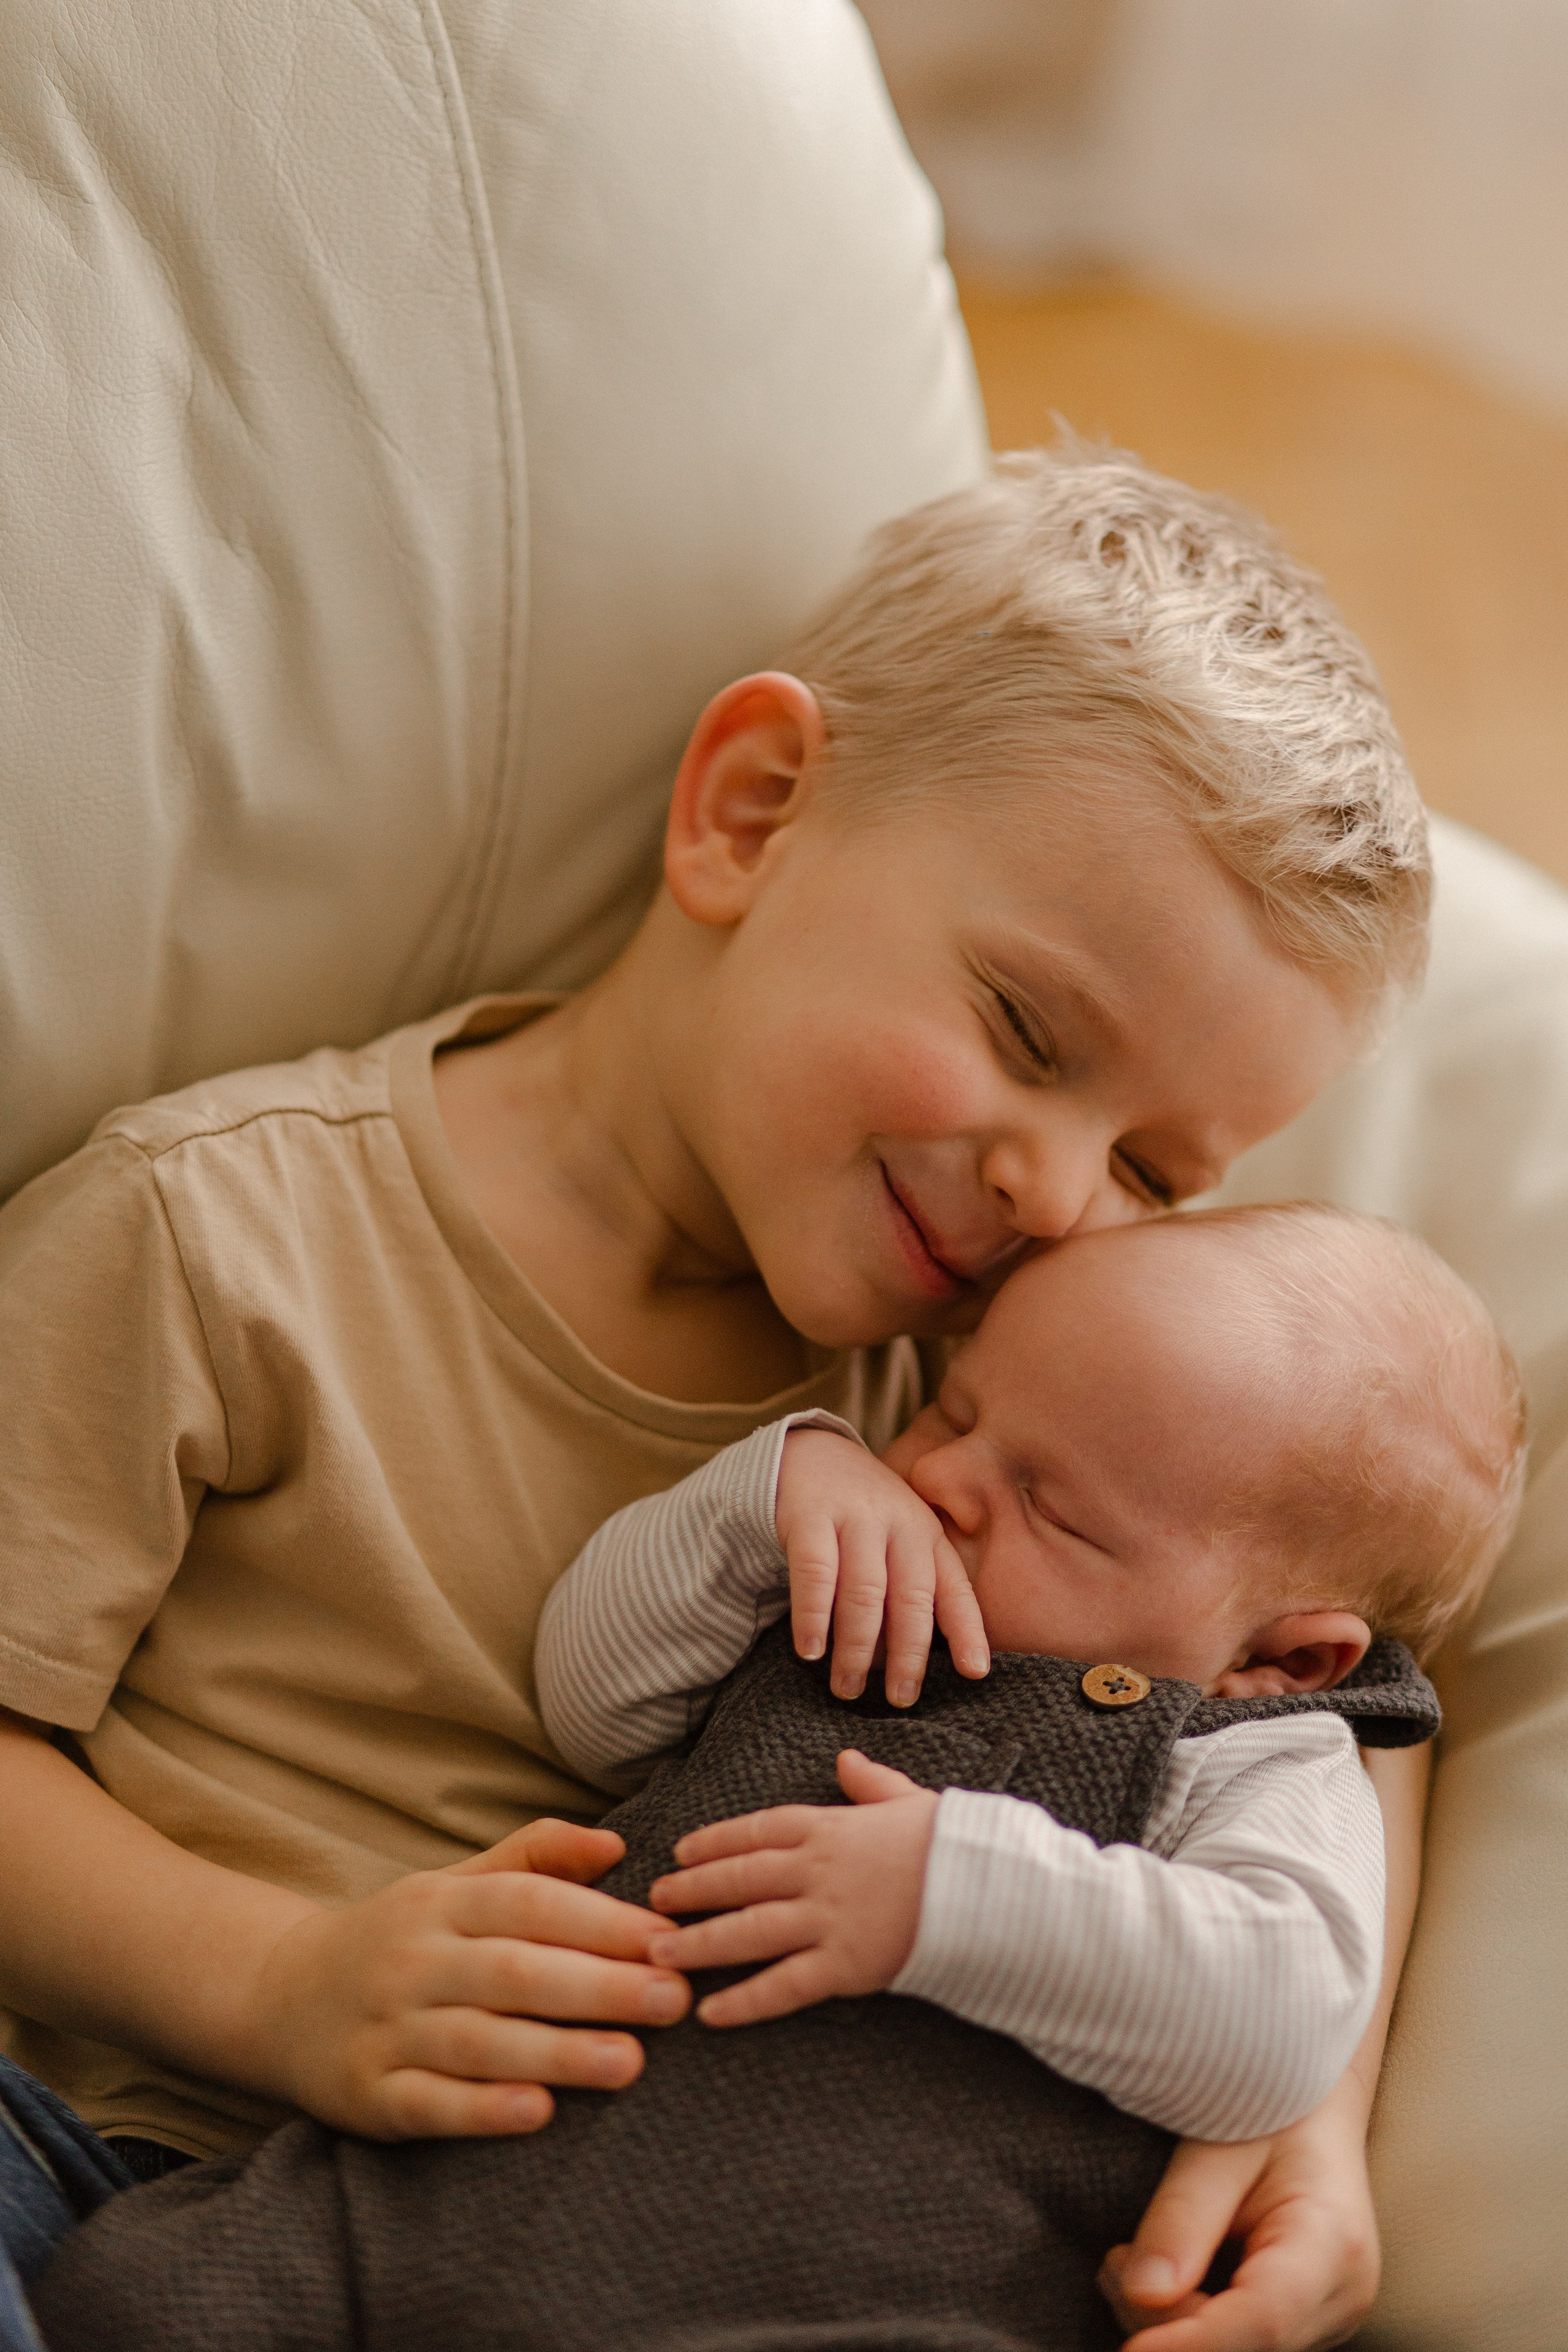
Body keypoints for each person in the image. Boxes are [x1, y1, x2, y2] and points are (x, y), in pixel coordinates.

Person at [0, 442, 1431, 2350]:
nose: (1059, 1196)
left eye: (1159, 1172)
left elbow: (1345, 1694)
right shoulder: (222, 1231)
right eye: (1027, 1031)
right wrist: (282, 1985)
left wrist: (1310, 2123)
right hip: (113, 2145)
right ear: (753, 817)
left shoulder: (994, 1400)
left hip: (605, 2259)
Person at [22, 1204, 1523, 2352]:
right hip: (423, 2212)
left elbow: (1276, 2019)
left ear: (1288, 1657)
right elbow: (594, 1698)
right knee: (133, 2290)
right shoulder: (863, 1595)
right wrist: (762, 1496)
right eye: (951, 1411)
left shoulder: (1253, 1751)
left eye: (1047, 1507)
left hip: (829, 2299)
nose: (939, 1482)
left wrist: (956, 1894)